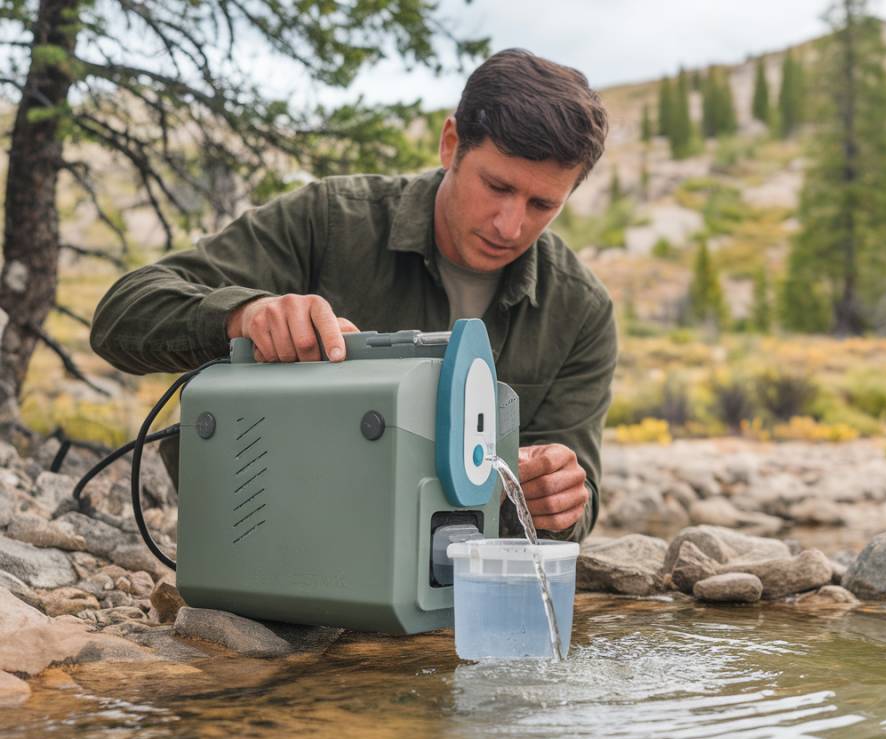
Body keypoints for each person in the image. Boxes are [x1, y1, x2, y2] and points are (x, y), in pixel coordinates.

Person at [90, 48, 616, 543]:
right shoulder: (329, 221)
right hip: (272, 548)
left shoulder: (581, 310)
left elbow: (580, 499)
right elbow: (121, 315)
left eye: (542, 204)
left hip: (455, 586)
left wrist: (561, 498)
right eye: (497, 187)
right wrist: (245, 316)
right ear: (451, 143)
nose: (510, 224)